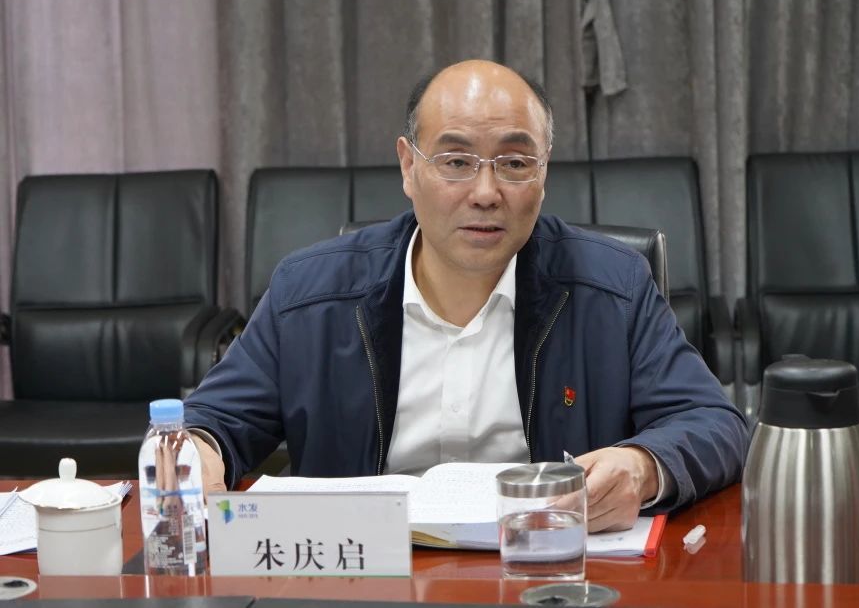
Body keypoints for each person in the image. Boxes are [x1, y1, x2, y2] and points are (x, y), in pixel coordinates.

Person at [184, 59, 748, 532]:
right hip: (364, 574)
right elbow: (213, 422)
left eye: (515, 163)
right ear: (409, 166)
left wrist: (642, 466)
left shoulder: (614, 288)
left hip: (544, 573)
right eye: (456, 162)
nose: (485, 192)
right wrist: (198, 455)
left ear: (544, 173)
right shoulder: (308, 293)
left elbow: (714, 423)